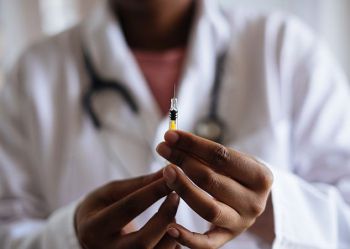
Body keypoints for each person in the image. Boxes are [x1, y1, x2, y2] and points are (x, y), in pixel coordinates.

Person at [0, 0, 350, 248]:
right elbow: (8, 233)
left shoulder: (284, 49)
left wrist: (274, 208)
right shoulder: (34, 75)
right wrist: (70, 237)